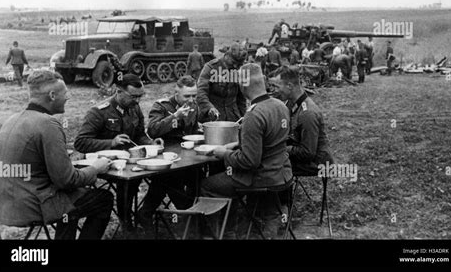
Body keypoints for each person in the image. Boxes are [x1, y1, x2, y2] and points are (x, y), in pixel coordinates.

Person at [0, 70, 113, 239]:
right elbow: (67, 181)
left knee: (71, 200)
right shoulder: (48, 124)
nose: (68, 97)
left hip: (3, 207)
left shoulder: (11, 120)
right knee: (103, 199)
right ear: (52, 95)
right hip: (32, 207)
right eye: (65, 93)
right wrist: (96, 168)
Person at [201, 63, 293, 238]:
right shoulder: (280, 105)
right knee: (228, 181)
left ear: (242, 86)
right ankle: (238, 229)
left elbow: (249, 162)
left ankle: (217, 234)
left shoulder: (253, 115)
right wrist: (235, 146)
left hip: (261, 178)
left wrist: (223, 154)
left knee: (207, 185)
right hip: (281, 173)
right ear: (264, 82)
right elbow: (269, 143)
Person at [74, 74, 157, 226]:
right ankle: (125, 222)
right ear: (118, 91)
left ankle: (145, 213)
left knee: (160, 175)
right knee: (129, 180)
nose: (138, 101)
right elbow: (81, 143)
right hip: (105, 164)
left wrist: (152, 143)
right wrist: (111, 142)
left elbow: (139, 135)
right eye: (133, 97)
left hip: (129, 160)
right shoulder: (99, 112)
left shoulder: (134, 108)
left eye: (141, 96)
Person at [139, 75, 200, 226]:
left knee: (198, 174)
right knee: (169, 177)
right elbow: (153, 131)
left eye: (194, 95)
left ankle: (148, 212)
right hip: (166, 155)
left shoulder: (194, 105)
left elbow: (191, 130)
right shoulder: (162, 106)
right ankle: (187, 211)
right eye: (187, 96)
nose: (191, 100)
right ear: (176, 93)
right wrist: (175, 117)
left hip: (187, 155)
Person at [268, 66, 334, 174]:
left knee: (270, 165)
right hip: (306, 154)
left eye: (276, 86)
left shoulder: (307, 113)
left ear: (289, 86)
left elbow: (307, 153)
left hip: (318, 163)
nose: (274, 91)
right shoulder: (292, 103)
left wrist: (280, 149)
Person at [197, 42, 247, 122]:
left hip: (233, 117)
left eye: (238, 65)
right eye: (233, 63)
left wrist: (244, 117)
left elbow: (241, 98)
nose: (235, 66)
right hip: (213, 117)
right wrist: (209, 108)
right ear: (226, 55)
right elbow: (201, 92)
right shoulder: (211, 67)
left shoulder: (238, 71)